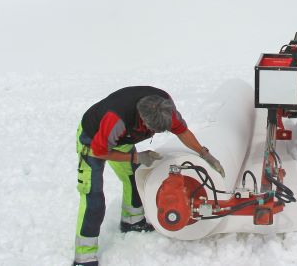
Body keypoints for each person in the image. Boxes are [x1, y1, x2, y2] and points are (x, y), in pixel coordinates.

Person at [73, 86, 225, 266]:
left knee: (134, 178)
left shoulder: (166, 109)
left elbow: (182, 131)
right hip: (92, 143)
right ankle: (84, 256)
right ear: (143, 120)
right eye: (153, 130)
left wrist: (204, 153)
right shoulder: (116, 120)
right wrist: (135, 156)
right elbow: (100, 152)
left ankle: (132, 221)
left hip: (122, 140)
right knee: (94, 199)